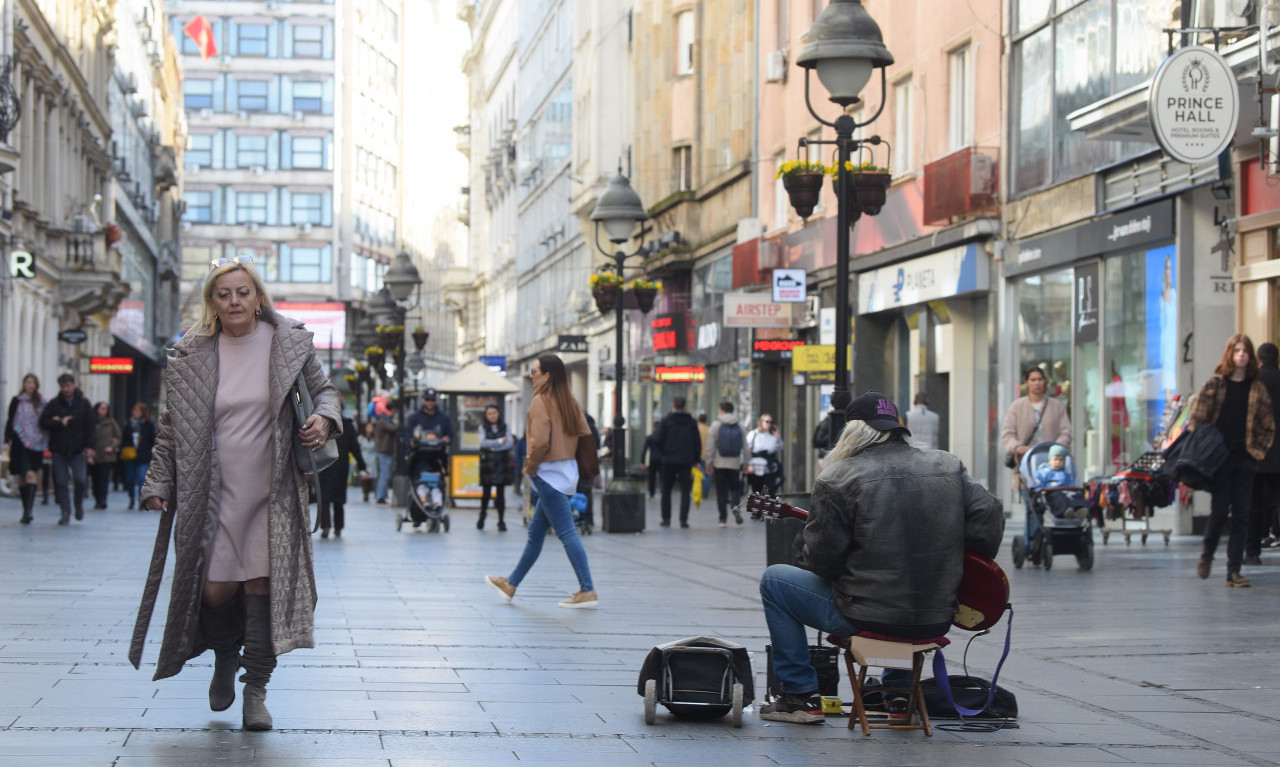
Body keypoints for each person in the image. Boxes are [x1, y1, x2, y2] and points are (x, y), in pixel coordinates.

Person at [129, 257, 341, 732]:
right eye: (224, 294)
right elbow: (169, 432)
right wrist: (158, 483)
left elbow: (326, 392)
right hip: (212, 496)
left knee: (263, 588)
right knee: (214, 588)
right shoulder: (193, 353)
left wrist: (325, 418)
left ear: (258, 296)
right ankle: (226, 652)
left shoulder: (290, 342)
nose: (235, 301)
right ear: (212, 302)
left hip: (274, 490)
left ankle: (256, 690)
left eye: (243, 292)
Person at [758, 391, 1004, 724]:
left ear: (853, 431)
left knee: (774, 581)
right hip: (934, 616)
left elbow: (821, 563)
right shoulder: (948, 466)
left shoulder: (838, 477)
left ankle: (800, 696)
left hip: (867, 617)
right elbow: (990, 515)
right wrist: (958, 559)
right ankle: (899, 696)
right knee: (900, 590)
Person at [485, 354, 598, 608]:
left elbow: (540, 443)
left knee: (567, 532)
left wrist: (530, 468)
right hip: (567, 473)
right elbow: (585, 434)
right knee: (536, 533)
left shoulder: (540, 402)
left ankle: (587, 589)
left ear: (547, 375)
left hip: (548, 474)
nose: (531, 375)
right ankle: (510, 584)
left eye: (535, 371)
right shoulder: (569, 401)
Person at [1188, 334, 1275, 587]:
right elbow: (1196, 421)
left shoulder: (1257, 388)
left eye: (1245, 350)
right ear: (1229, 354)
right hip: (1220, 460)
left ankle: (1233, 571)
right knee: (1218, 512)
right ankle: (1207, 554)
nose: (1242, 355)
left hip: (1245, 459)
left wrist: (1257, 453)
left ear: (1251, 356)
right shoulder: (1215, 385)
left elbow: (1268, 426)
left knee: (1242, 514)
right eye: (1237, 350)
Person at [38, 373, 95, 525]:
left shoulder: (84, 403)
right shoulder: (54, 404)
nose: (66, 389)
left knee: (80, 480)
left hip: (77, 449)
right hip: (59, 449)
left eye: (68, 386)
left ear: (73, 385)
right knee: (61, 482)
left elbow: (90, 426)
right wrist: (59, 423)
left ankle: (78, 505)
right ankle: (65, 512)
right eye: (63, 386)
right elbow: (43, 422)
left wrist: (90, 447)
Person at [1000, 366, 1071, 487]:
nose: (1037, 383)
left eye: (1040, 379)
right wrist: (1018, 447)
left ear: (1045, 381)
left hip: (1053, 465)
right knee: (1031, 501)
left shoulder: (1056, 405)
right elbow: (1007, 433)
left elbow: (1066, 432)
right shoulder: (1017, 406)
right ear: (1027, 383)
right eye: (1033, 380)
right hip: (1026, 464)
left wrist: (1055, 448)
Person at [5, 373, 47, 524]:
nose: (30, 385)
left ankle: (29, 510)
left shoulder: (41, 402)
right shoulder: (17, 401)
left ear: (36, 385)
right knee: (22, 477)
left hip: (36, 443)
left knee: (31, 474)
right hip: (19, 442)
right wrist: (6, 440)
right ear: (23, 384)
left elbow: (46, 420)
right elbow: (11, 420)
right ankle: (25, 509)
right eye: (28, 382)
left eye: (33, 383)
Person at [1251, 342, 1280, 559]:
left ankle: (1252, 549)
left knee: (1255, 502)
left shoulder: (1253, 382)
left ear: (1259, 359)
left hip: (1258, 452)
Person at [656, 396, 701, 528]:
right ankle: (683, 520)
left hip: (668, 460)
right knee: (685, 491)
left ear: (673, 405)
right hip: (686, 461)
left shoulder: (666, 420)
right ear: (684, 406)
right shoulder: (691, 422)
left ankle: (666, 519)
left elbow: (658, 439)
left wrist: (664, 452)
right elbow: (696, 442)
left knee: (666, 491)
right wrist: (696, 459)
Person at [318, 413, 365, 539]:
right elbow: (355, 447)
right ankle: (338, 527)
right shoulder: (347, 424)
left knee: (324, 497)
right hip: (341, 464)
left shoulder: (322, 421)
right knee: (338, 496)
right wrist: (362, 465)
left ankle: (326, 526)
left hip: (324, 463)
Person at [704, 400, 745, 526]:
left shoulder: (716, 425)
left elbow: (710, 446)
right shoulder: (740, 425)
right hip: (735, 464)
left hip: (719, 463)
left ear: (721, 410)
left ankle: (722, 519)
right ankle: (735, 506)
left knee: (721, 491)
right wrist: (747, 463)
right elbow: (746, 447)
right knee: (736, 488)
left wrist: (709, 463)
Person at [478, 403, 515, 531]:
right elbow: (483, 443)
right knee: (486, 494)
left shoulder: (505, 427)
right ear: (486, 415)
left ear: (498, 414)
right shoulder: (483, 427)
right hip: (487, 465)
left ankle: (501, 520)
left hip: (501, 464)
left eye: (494, 413)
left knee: (501, 494)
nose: (492, 416)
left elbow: (509, 443)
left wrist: (492, 446)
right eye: (489, 413)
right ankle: (482, 515)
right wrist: (499, 442)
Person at [121, 403, 156, 510]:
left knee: (142, 478)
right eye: (134, 411)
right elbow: (124, 438)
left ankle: (141, 500)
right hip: (130, 455)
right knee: (130, 479)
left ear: (142, 412)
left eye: (137, 411)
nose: (134, 413)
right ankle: (131, 497)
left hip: (143, 456)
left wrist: (150, 453)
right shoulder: (129, 424)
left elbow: (152, 440)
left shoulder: (148, 424)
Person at [89, 402, 122, 510]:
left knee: (103, 478)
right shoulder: (91, 422)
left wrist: (112, 447)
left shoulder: (111, 422)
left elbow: (118, 436)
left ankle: (103, 500)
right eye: (102, 408)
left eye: (105, 409)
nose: (104, 411)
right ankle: (97, 498)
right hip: (94, 454)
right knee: (95, 478)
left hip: (107, 455)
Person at [745, 413, 782, 495]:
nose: (769, 424)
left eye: (771, 422)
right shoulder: (753, 434)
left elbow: (779, 448)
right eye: (767, 421)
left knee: (769, 492)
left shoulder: (772, 436)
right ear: (761, 422)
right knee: (756, 492)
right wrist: (748, 464)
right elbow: (747, 450)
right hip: (755, 467)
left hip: (768, 467)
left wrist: (777, 436)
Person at [372, 415, 397, 505]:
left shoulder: (382, 421)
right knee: (384, 475)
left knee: (385, 475)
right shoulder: (383, 421)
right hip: (384, 451)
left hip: (385, 451)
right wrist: (396, 422)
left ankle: (382, 495)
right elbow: (394, 428)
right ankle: (380, 496)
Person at [356, 421, 377, 502]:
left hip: (372, 459)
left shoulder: (374, 439)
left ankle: (369, 491)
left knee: (370, 477)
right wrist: (356, 461)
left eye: (371, 427)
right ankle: (365, 494)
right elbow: (357, 450)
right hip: (363, 458)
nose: (370, 429)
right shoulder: (360, 438)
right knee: (365, 477)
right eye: (368, 427)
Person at [641, 421, 662, 499]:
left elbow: (644, 450)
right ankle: (663, 491)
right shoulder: (662, 437)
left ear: (653, 427)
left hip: (652, 459)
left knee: (652, 477)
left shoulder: (650, 437)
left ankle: (651, 493)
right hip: (661, 459)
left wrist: (642, 461)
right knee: (663, 477)